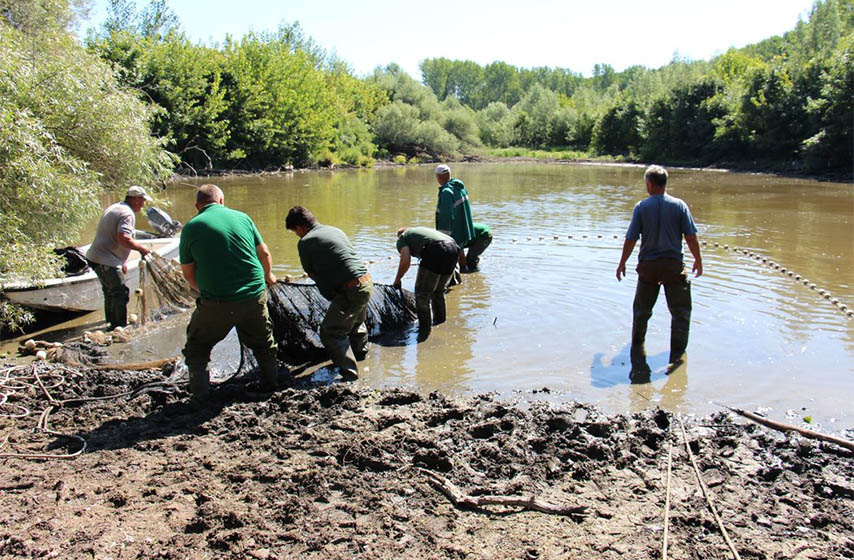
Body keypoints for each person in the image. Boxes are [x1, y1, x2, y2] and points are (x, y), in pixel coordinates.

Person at [179, 184, 279, 404]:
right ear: (222, 201)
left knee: (197, 349)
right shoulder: (243, 217)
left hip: (216, 301)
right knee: (264, 343)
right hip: (254, 295)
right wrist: (269, 276)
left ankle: (201, 397)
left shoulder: (190, 228)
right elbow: (264, 252)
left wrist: (206, 292)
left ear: (198, 206)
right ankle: (273, 386)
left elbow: (187, 274)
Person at [616, 165, 702, 378]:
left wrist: (622, 263)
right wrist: (698, 260)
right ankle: (677, 358)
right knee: (680, 313)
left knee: (641, 312)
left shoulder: (641, 207)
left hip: (649, 268)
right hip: (673, 267)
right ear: (665, 183)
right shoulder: (680, 206)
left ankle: (637, 350)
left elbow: (631, 238)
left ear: (650, 184)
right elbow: (690, 237)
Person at [285, 206, 373, 380]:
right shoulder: (334, 230)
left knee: (331, 332)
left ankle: (350, 374)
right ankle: (361, 355)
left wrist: (331, 295)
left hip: (351, 289)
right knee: (356, 321)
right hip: (366, 283)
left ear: (300, 227)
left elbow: (313, 274)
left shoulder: (306, 242)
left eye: (295, 231)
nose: (297, 234)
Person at [86, 185, 152, 331]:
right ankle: (119, 327)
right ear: (135, 199)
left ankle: (111, 323)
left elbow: (114, 238)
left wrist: (121, 261)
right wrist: (141, 249)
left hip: (97, 256)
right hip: (105, 259)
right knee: (120, 292)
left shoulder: (116, 207)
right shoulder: (127, 214)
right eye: (142, 201)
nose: (143, 204)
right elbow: (123, 239)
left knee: (110, 291)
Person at [392, 226, 460, 333]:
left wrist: (397, 279)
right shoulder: (422, 232)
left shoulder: (403, 238)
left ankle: (424, 328)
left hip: (436, 250)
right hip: (454, 249)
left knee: (422, 295)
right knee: (438, 292)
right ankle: (440, 323)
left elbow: (405, 260)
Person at [434, 164, 475, 273]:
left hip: (454, 229)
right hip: (463, 226)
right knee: (460, 251)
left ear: (439, 177)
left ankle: (458, 279)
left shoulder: (447, 192)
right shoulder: (459, 186)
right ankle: (465, 274)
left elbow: (446, 215)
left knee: (452, 256)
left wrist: (443, 236)